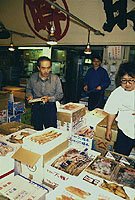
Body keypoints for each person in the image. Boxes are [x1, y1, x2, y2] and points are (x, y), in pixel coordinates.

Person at [104, 62, 135, 156]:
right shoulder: (117, 93)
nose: (127, 84)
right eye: (124, 81)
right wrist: (108, 129)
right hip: (125, 128)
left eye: (131, 80)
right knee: (121, 155)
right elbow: (112, 111)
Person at [26, 56, 63, 130]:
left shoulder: (55, 79)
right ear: (38, 68)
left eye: (48, 68)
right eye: (43, 68)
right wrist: (29, 96)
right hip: (36, 107)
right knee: (36, 130)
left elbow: (60, 95)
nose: (46, 71)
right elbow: (28, 89)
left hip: (50, 107)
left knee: (51, 131)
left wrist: (49, 98)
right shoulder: (33, 78)